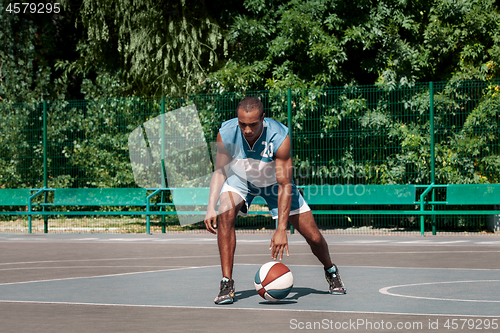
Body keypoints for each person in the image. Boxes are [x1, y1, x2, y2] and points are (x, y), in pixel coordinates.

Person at [203, 97, 346, 305]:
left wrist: (281, 229)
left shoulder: (279, 136)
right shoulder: (226, 132)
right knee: (224, 211)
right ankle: (227, 282)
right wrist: (210, 207)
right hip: (242, 180)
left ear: (263, 117)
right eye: (242, 124)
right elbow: (220, 171)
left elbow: (285, 185)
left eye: (253, 124)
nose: (247, 130)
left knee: (313, 237)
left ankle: (331, 270)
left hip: (275, 184)